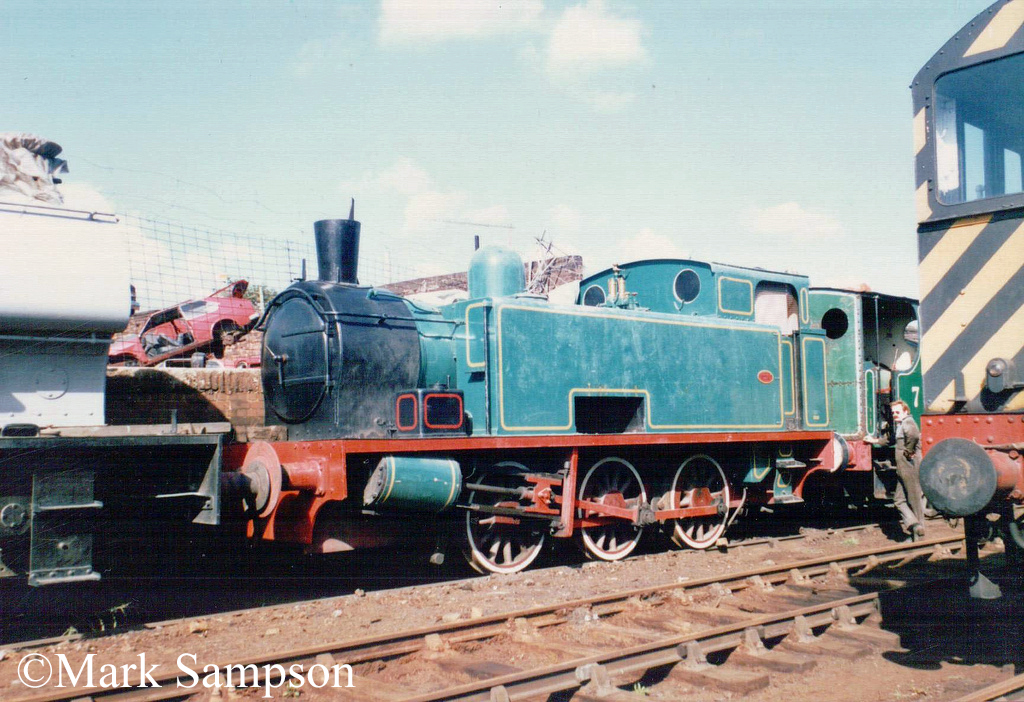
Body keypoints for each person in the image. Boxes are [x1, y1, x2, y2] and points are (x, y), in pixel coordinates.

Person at [867, 400, 926, 540]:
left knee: (914, 499)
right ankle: (914, 525)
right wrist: (874, 441)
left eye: (897, 412)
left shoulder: (908, 423)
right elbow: (890, 440)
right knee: (899, 500)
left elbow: (914, 435)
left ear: (905, 411)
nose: (894, 415)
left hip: (909, 466)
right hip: (902, 468)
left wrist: (909, 450)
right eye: (893, 412)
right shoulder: (900, 425)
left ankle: (918, 536)